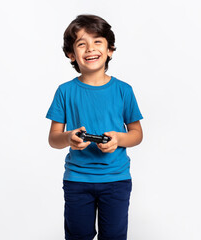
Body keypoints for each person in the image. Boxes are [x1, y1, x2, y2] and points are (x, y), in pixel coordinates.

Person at [46, 14, 144, 240]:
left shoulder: (124, 90)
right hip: (77, 180)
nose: (90, 48)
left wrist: (119, 139)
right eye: (82, 43)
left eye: (97, 41)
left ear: (110, 50)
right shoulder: (65, 91)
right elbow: (54, 138)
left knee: (114, 236)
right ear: (72, 54)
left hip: (116, 179)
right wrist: (69, 137)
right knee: (78, 235)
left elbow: (137, 134)